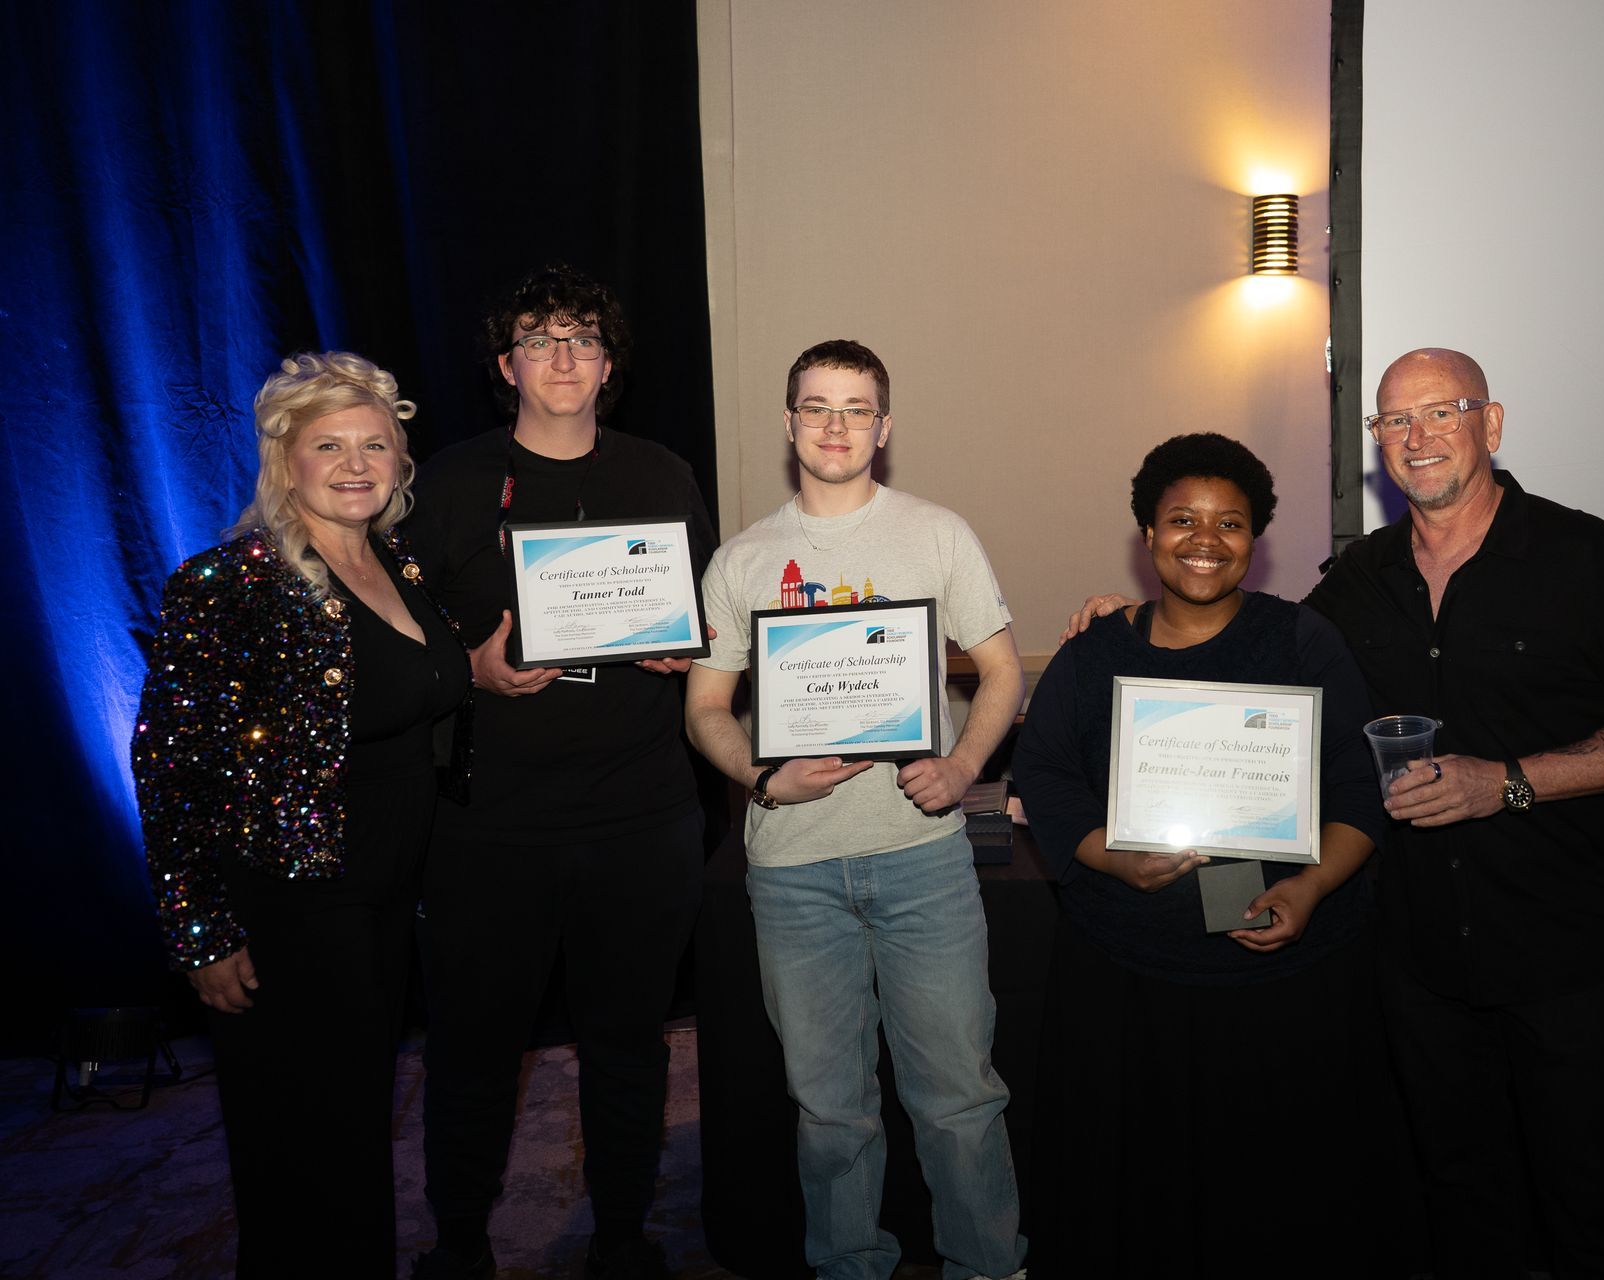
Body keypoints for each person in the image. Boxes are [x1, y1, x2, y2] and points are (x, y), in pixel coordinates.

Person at [1301, 348, 1604, 1278]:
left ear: (1491, 424)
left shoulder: (1583, 555)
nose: (1417, 437)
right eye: (1394, 422)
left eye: (1441, 412)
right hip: (1420, 956)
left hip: (1565, 950)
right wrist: (1139, 620)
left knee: (1593, 1204)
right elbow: (1267, 666)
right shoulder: (1357, 580)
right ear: (1377, 445)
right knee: (1461, 1200)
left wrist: (1507, 782)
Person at [684, 339, 1028, 1280]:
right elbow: (705, 708)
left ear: (886, 426)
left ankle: (989, 1269)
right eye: (816, 406)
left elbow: (1000, 671)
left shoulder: (937, 534)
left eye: (856, 408)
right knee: (831, 1111)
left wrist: (961, 767)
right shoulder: (743, 559)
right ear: (788, 421)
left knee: (959, 1100)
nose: (835, 425)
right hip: (793, 872)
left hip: (922, 857)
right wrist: (763, 778)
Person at [404, 265, 716, 1280]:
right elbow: (399, 642)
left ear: (610, 362)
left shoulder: (662, 473)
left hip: (641, 814)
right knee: (474, 1053)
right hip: (490, 826)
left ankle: (623, 1237)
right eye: (540, 339)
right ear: (507, 366)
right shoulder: (450, 481)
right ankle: (459, 1243)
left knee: (628, 1044)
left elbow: (699, 612)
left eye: (583, 336)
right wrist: (473, 668)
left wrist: (690, 644)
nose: (565, 356)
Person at [1012, 433, 1384, 1278]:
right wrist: (1110, 858)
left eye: (1231, 523)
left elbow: (1359, 790)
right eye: (1182, 519)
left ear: (1256, 540)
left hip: (1278, 974)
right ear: (1147, 534)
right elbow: (1046, 773)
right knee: (1137, 1186)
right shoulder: (1096, 652)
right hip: (1126, 973)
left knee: (1270, 1184)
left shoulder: (1304, 642)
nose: (1204, 540)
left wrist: (1312, 887)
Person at [133, 351, 470, 1278]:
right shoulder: (229, 583)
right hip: (290, 908)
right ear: (284, 460)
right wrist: (199, 928)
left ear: (402, 461)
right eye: (330, 445)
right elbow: (169, 767)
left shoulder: (394, 560)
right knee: (302, 1151)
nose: (357, 463)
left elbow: (414, 695)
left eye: (377, 444)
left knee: (357, 1130)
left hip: (382, 902)